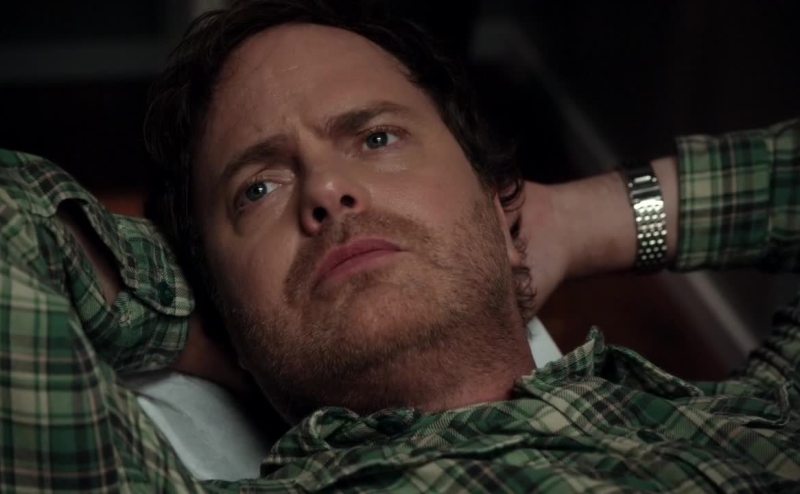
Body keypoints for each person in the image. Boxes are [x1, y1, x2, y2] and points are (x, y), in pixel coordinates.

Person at [0, 0, 798, 491]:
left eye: (377, 137)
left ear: (498, 205)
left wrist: (583, 219)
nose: (325, 189)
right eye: (258, 189)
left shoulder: (758, 426)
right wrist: (222, 324)